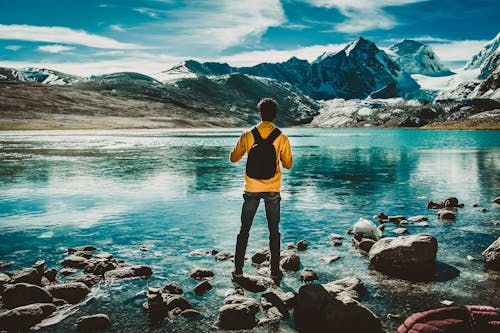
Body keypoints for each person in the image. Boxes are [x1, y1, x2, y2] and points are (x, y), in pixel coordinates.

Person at [229, 98, 293, 282]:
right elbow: (288, 165)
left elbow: (233, 158)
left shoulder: (247, 134)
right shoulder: (281, 137)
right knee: (274, 230)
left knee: (244, 229)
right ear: (274, 115)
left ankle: (238, 270)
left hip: (251, 188)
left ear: (259, 114)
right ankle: (274, 271)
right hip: (273, 189)